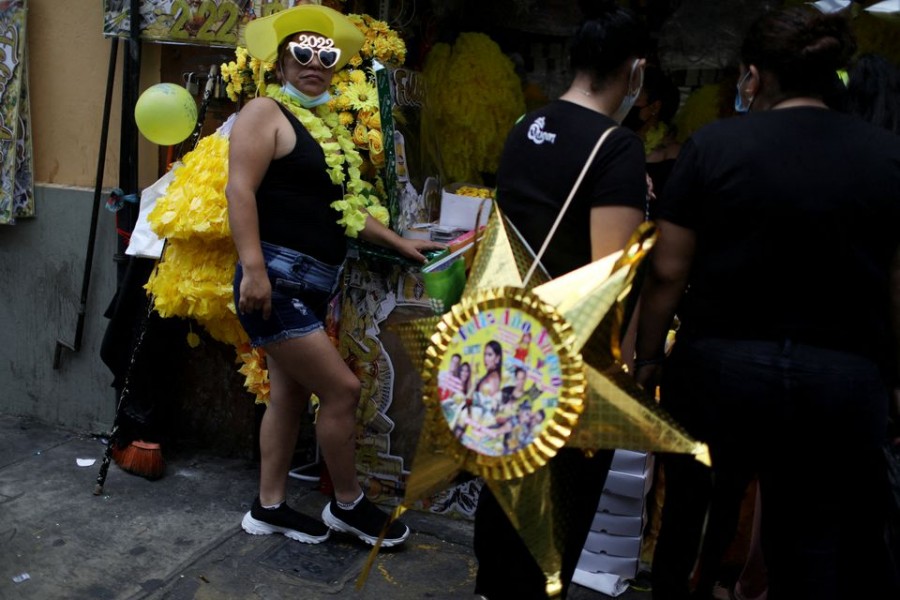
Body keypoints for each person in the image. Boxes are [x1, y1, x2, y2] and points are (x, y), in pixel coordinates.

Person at [633, 6, 900, 599]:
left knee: (693, 524)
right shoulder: (886, 156)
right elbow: (895, 285)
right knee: (815, 544)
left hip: (720, 371)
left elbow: (667, 271)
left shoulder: (713, 145)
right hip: (841, 379)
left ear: (754, 76)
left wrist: (648, 358)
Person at [227, 4, 443, 548]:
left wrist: (401, 242)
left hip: (312, 282)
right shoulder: (263, 113)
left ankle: (269, 507)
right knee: (343, 390)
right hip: (275, 279)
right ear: (281, 63)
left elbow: (347, 210)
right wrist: (254, 269)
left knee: (287, 397)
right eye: (301, 53)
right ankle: (347, 505)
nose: (314, 63)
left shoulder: (323, 127)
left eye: (325, 55)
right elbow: (239, 190)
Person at [472, 1, 649, 597]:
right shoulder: (616, 147)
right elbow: (605, 280)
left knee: (504, 486)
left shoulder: (526, 127)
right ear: (636, 72)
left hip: (507, 337)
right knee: (557, 500)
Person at [622, 64, 682, 219]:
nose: (626, 101)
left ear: (655, 106)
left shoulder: (674, 155)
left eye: (635, 96)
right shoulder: (614, 141)